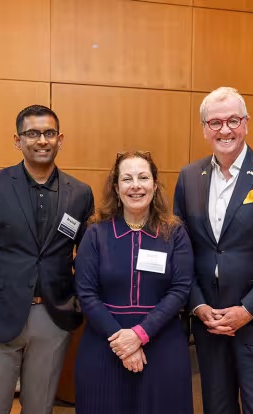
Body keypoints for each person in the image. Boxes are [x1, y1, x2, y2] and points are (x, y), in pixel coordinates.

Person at [173, 86, 253, 414]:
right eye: (215, 123)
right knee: (217, 407)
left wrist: (247, 310)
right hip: (209, 323)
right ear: (204, 129)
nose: (225, 130)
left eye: (233, 120)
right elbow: (181, 250)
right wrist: (199, 305)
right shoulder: (189, 177)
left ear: (246, 123)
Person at [0, 105, 94, 413]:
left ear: (60, 139)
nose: (41, 140)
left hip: (53, 317)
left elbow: (88, 257)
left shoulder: (80, 193)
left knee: (40, 407)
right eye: (32, 133)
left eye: (49, 133)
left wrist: (74, 300)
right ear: (17, 140)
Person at [74, 151, 194, 414]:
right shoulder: (96, 233)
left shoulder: (175, 233)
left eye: (143, 177)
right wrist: (123, 344)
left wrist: (140, 335)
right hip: (104, 345)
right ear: (116, 188)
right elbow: (85, 292)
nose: (136, 185)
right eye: (127, 179)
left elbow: (181, 289)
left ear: (154, 184)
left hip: (162, 344)